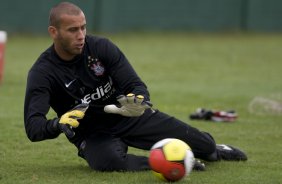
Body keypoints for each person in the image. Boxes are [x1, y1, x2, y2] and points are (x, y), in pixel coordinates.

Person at [24, 2, 247, 172]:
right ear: (54, 32)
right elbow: (33, 127)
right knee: (107, 162)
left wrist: (137, 101)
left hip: (128, 117)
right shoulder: (42, 73)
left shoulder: (101, 47)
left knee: (206, 146)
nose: (81, 36)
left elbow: (135, 85)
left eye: (83, 28)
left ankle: (216, 149)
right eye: (73, 30)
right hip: (92, 133)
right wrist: (56, 124)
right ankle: (169, 161)